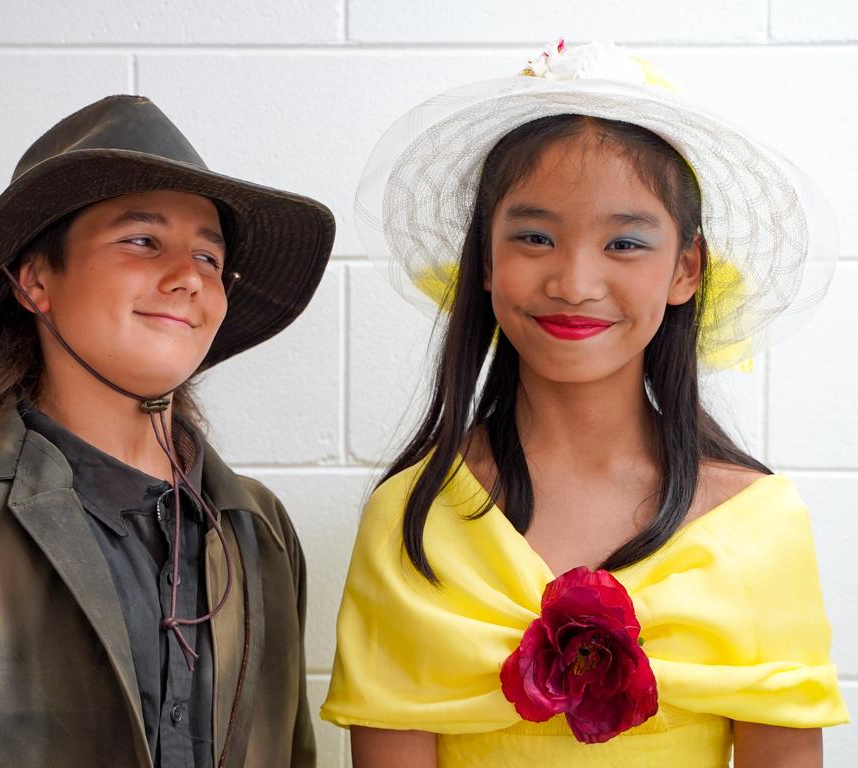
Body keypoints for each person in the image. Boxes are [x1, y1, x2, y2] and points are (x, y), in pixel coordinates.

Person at [321, 41, 849, 767]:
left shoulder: (758, 525)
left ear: (686, 269)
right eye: (535, 237)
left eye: (625, 242)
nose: (574, 281)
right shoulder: (410, 517)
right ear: (484, 259)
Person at [0, 94, 335, 768]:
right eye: (142, 240)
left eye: (211, 258)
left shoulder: (258, 529)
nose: (189, 276)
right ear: (36, 279)